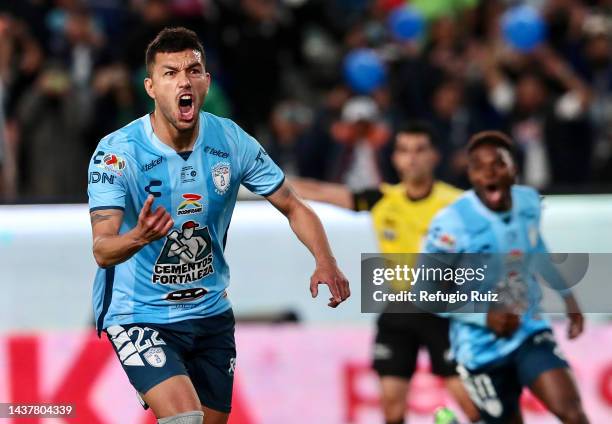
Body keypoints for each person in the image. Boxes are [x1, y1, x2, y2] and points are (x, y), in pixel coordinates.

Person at [87, 27, 350, 424]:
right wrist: (140, 235)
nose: (183, 81)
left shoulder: (230, 140)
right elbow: (102, 249)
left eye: (193, 70)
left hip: (209, 312)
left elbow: (294, 206)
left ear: (206, 81)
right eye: (170, 73)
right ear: (151, 87)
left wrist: (325, 260)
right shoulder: (116, 153)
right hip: (138, 313)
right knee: (184, 418)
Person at [292, 122, 480, 424]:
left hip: (445, 312)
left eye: (420, 150)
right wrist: (259, 177)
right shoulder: (381, 200)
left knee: (471, 405)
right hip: (399, 309)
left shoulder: (458, 204)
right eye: (404, 150)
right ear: (395, 158)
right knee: (391, 407)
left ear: (435, 156)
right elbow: (319, 191)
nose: (412, 158)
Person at [423, 131, 588, 424]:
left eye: (498, 163)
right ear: (470, 174)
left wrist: (568, 297)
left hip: (528, 330)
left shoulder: (529, 203)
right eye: (478, 166)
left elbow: (536, 248)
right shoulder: (452, 222)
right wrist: (483, 316)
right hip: (479, 349)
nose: (489, 172)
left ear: (514, 169)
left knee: (572, 413)